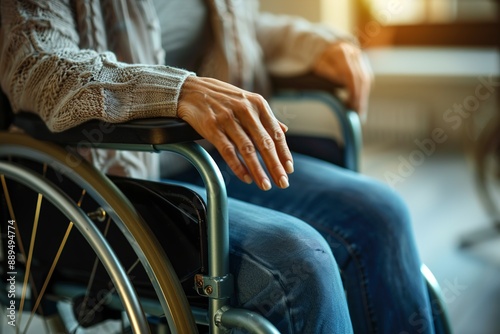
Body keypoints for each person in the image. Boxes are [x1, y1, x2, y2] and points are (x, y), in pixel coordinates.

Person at [0, 0, 438, 333]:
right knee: (299, 259)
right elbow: (36, 64)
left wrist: (316, 45)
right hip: (114, 175)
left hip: (211, 154)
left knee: (379, 211)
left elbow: (239, 28)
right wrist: (177, 90)